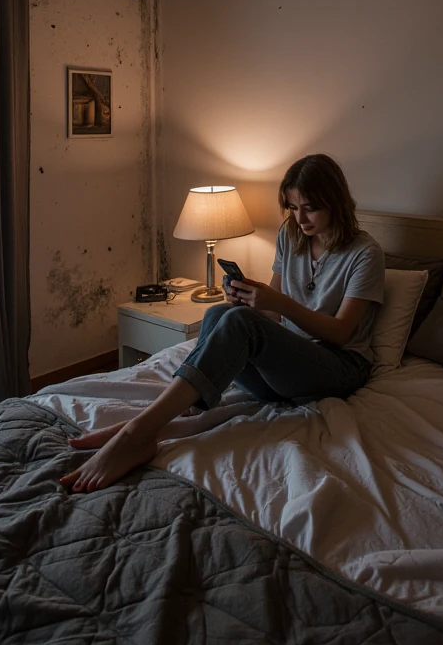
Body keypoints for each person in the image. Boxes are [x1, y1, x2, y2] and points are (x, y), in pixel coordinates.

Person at [60, 153, 385, 493]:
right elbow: (273, 313)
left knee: (239, 323)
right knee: (218, 314)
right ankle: (184, 406)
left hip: (339, 367)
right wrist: (247, 299)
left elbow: (341, 332)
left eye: (311, 208)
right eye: (292, 207)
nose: (300, 217)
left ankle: (138, 432)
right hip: (289, 373)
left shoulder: (365, 254)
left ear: (336, 203)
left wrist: (277, 306)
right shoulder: (291, 236)